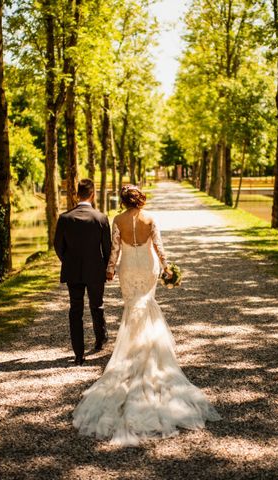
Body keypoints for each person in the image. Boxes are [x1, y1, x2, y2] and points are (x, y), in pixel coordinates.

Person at [72, 184, 220, 446]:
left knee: (132, 307)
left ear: (124, 200)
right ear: (139, 199)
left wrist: (109, 271)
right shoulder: (151, 218)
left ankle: (131, 350)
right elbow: (160, 247)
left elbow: (115, 250)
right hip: (148, 266)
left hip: (129, 266)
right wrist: (167, 268)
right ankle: (150, 348)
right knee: (147, 305)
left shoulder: (117, 219)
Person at [54, 179, 111, 366]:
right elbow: (107, 249)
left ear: (76, 195)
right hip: (95, 270)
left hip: (73, 271)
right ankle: (99, 340)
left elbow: (58, 246)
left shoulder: (64, 218)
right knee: (97, 305)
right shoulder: (101, 218)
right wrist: (102, 267)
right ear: (93, 194)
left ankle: (78, 354)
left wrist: (69, 261)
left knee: (75, 310)